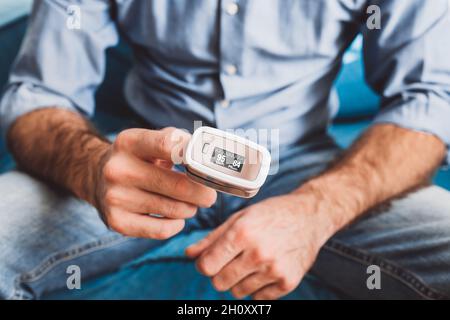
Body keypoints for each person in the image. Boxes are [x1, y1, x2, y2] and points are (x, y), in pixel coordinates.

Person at [0, 0, 449, 300]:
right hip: (148, 160)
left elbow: (430, 97)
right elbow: (38, 94)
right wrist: (92, 166)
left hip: (308, 169)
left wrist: (318, 210)